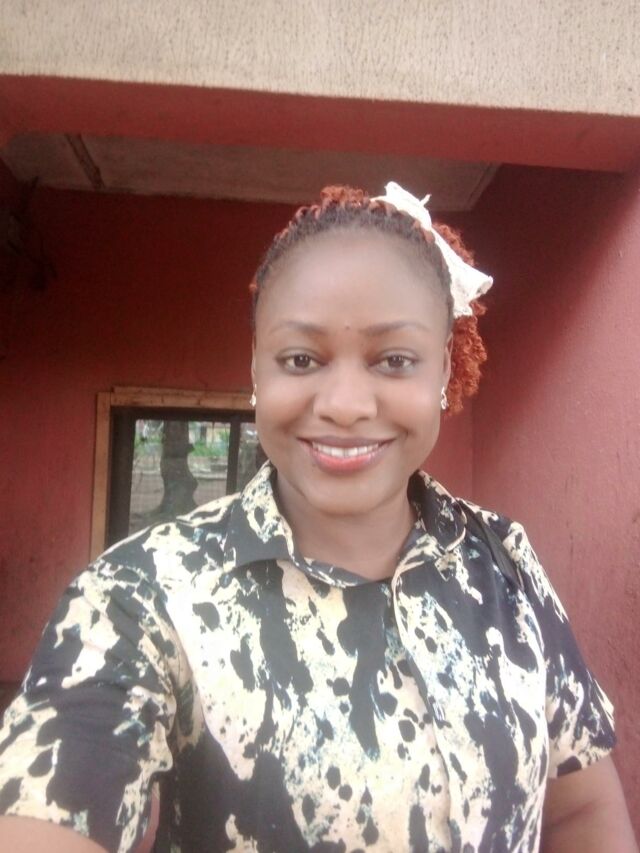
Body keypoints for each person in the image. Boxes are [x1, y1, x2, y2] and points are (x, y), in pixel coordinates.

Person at [0, 183, 636, 853]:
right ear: (256, 366)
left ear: (445, 370)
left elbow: (581, 811)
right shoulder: (141, 596)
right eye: (301, 359)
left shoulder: (505, 561)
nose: (344, 403)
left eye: (395, 360)